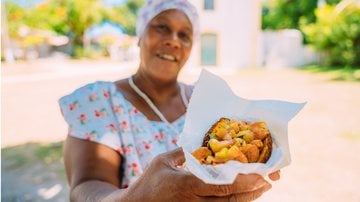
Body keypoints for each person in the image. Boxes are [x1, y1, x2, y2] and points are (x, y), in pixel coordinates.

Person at [59, 0, 280, 201]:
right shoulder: (100, 101)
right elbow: (85, 187)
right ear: (140, 35)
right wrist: (137, 198)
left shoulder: (205, 100)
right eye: (161, 27)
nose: (173, 40)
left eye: (184, 35)